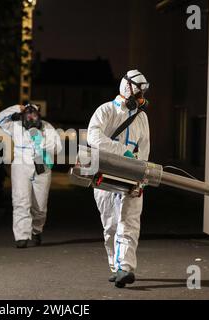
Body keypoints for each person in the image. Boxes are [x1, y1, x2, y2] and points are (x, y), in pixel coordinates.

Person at [87, 70, 150, 288]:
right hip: (105, 174)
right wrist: (121, 151)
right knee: (111, 226)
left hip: (131, 175)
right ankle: (115, 266)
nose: (142, 96)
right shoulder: (105, 111)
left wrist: (142, 177)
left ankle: (125, 268)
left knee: (129, 222)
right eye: (140, 91)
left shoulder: (142, 118)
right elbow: (93, 137)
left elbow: (144, 150)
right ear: (128, 87)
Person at [0, 104, 62, 249]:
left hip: (42, 165)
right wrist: (15, 108)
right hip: (21, 165)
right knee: (21, 201)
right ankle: (21, 236)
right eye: (28, 114)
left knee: (40, 206)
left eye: (34, 114)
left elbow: (58, 147)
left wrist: (42, 143)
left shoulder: (47, 127)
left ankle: (36, 230)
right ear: (23, 114)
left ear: (39, 115)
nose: (31, 117)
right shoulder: (16, 126)